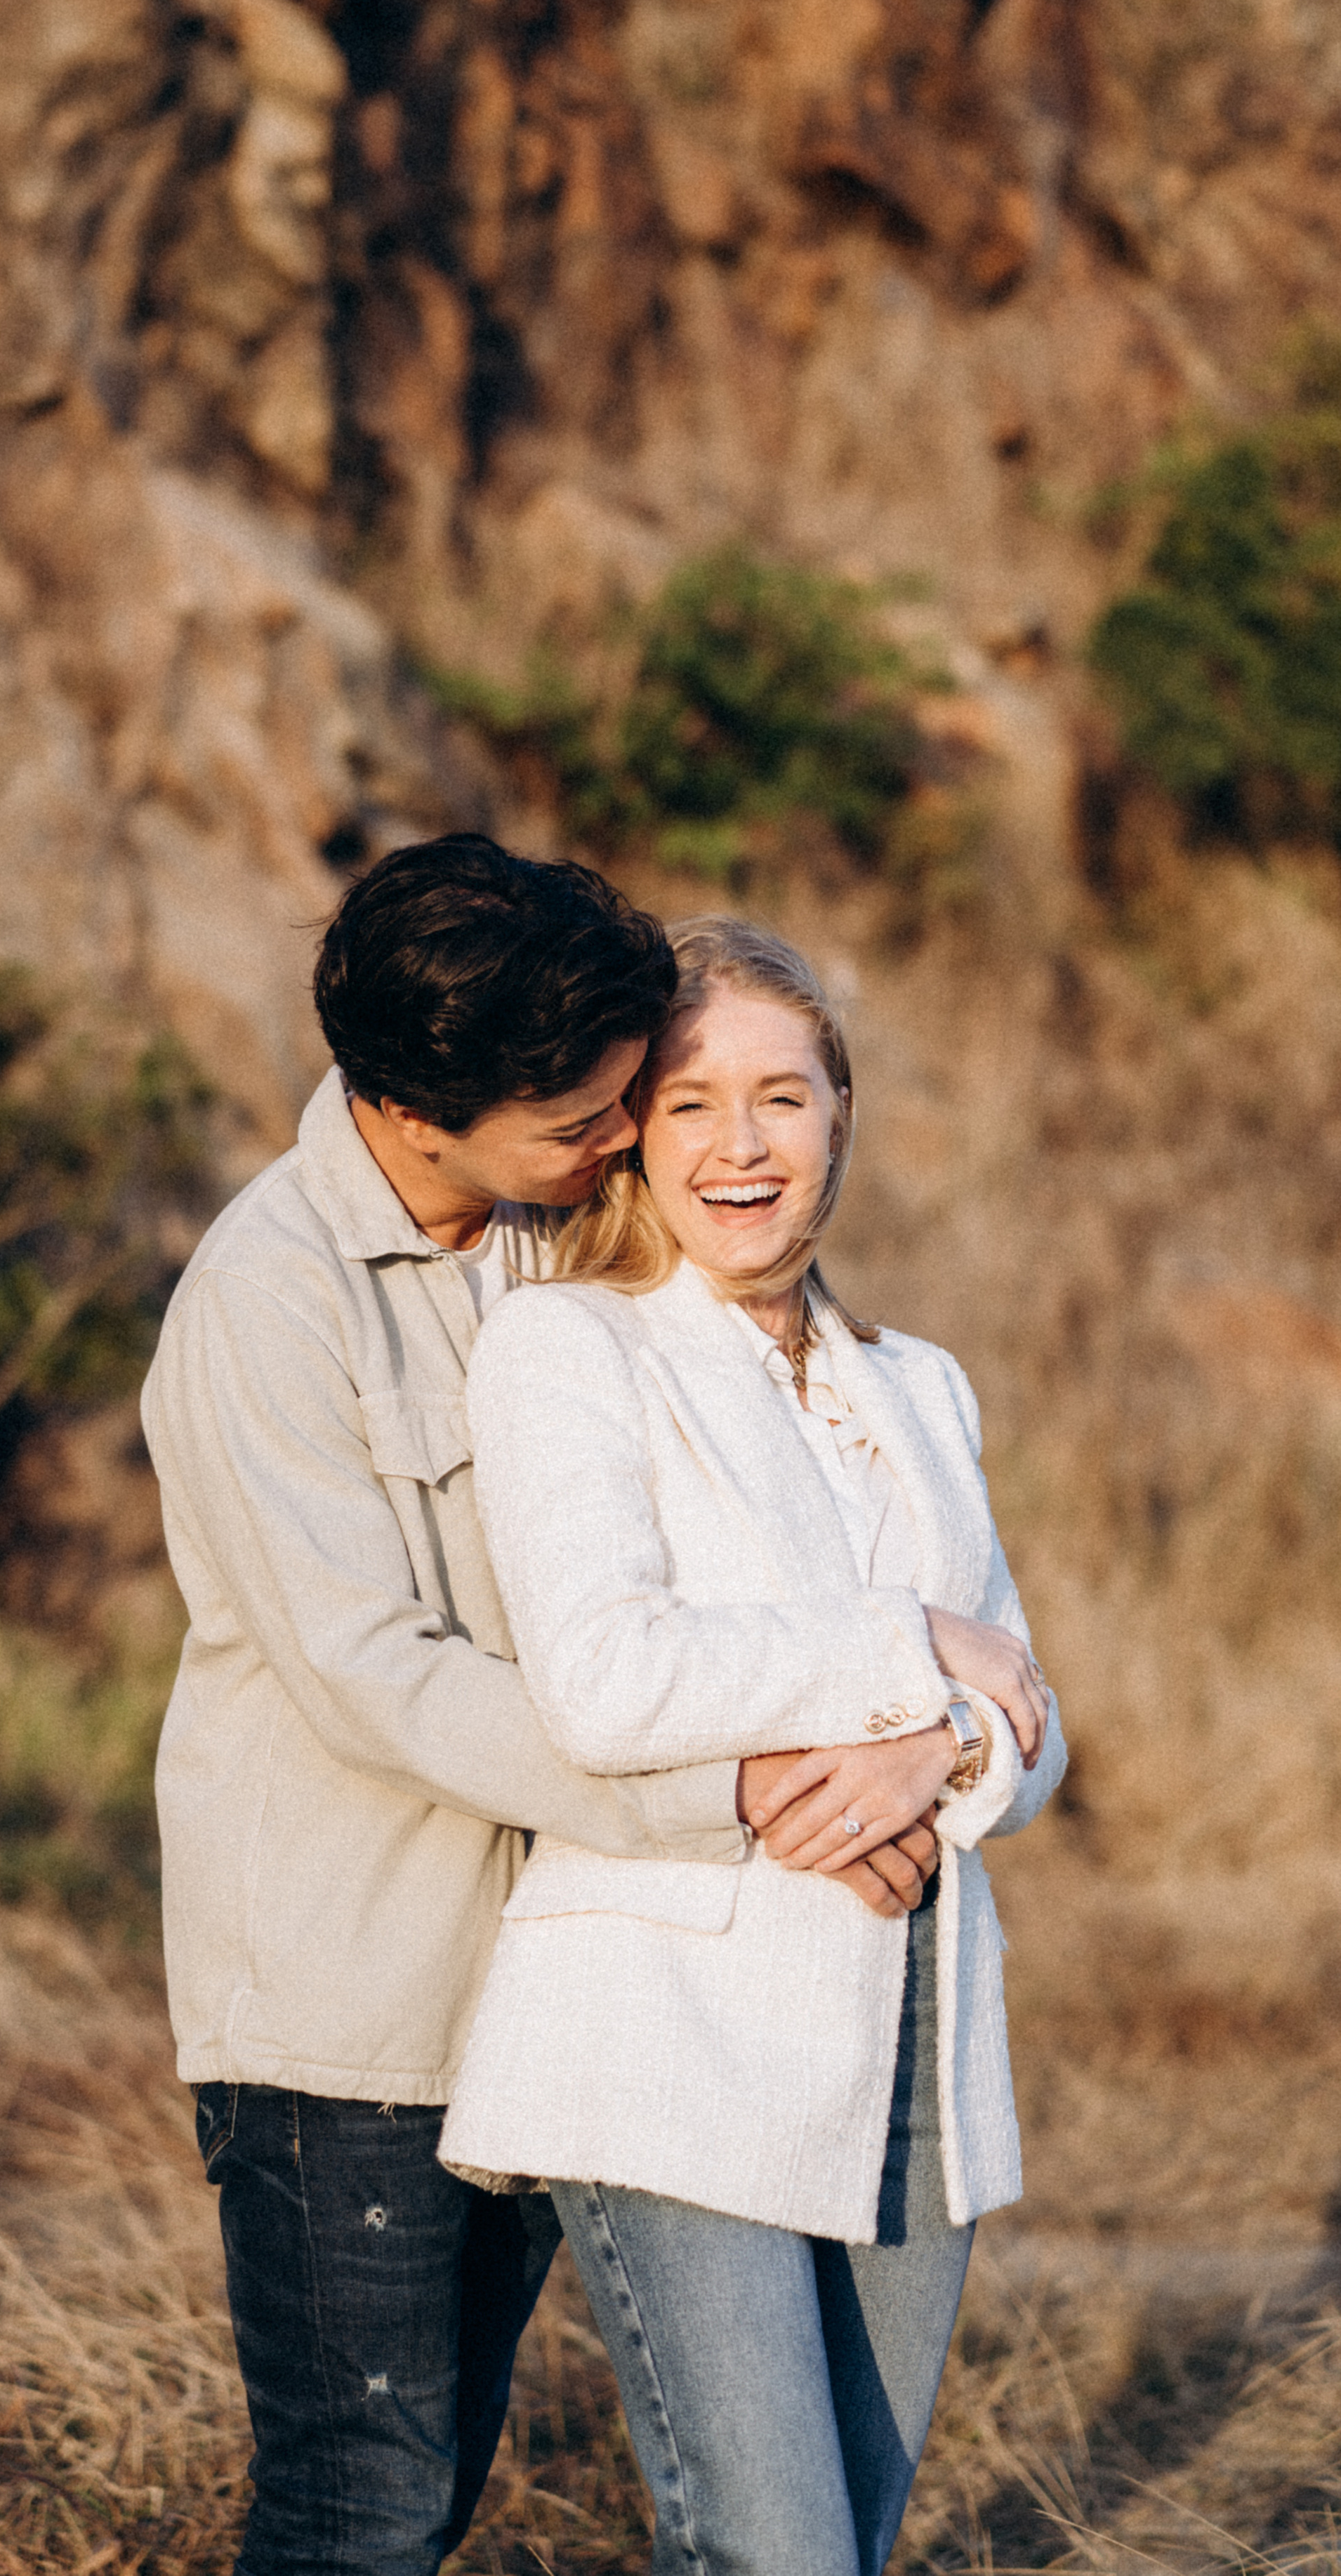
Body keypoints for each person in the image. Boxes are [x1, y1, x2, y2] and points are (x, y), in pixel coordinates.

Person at [140, 841, 951, 2576]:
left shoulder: (543, 1249)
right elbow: (381, 1680)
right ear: (424, 1111)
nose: (619, 1144)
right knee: (360, 2500)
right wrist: (751, 1794)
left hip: (550, 1978)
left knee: (432, 2492)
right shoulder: (264, 1302)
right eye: (582, 1118)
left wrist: (921, 1736)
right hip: (347, 2005)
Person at [440, 915, 1066, 2576]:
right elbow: (603, 1676)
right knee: (772, 2551)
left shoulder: (918, 1386)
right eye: (692, 1100)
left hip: (916, 2030)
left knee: (841, 2549)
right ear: (631, 1134)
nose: (740, 1145)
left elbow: (1029, 1717)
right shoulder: (567, 1349)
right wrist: (908, 1660)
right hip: (669, 2037)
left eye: (781, 1098)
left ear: (840, 1117)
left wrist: (937, 1756)